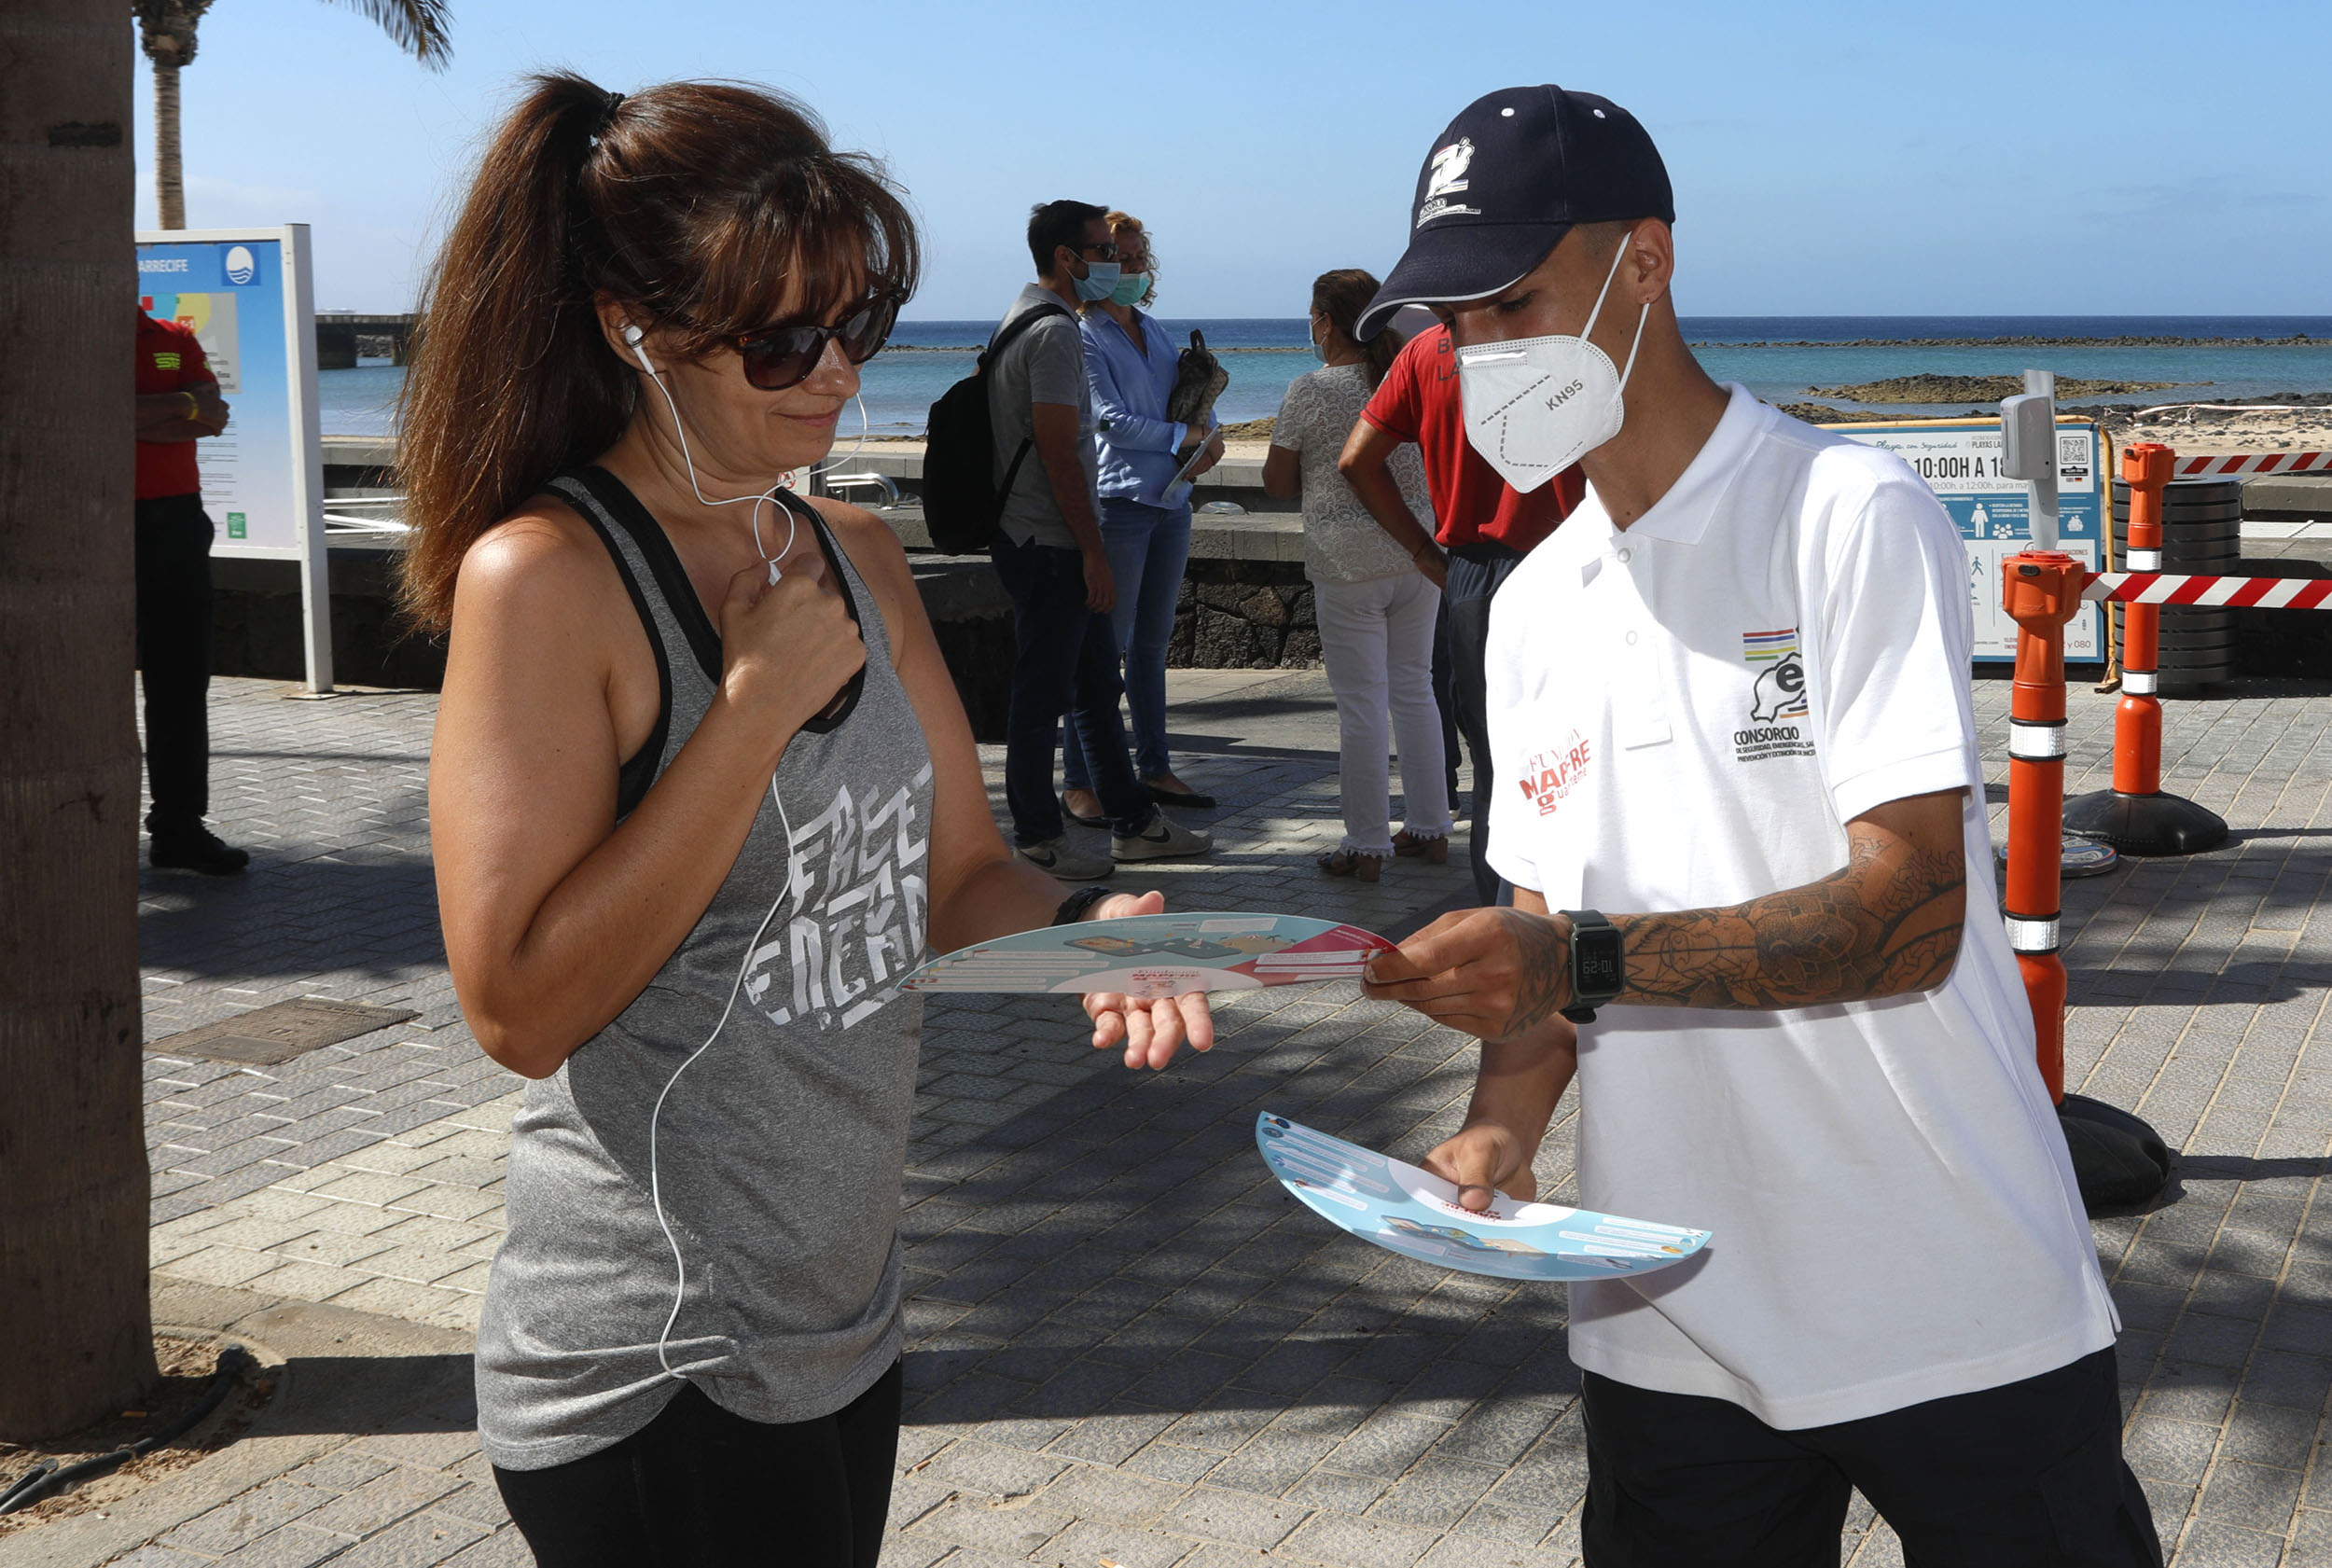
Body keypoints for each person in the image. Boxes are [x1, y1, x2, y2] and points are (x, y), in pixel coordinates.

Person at [396, 76, 1212, 1568]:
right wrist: (753, 706)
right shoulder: (553, 576)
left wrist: (1086, 933)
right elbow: (515, 1001)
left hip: (842, 1317)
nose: (836, 374)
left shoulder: (848, 546)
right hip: (658, 1355)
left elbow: (958, 871)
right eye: (784, 338)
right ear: (631, 326)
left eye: (859, 328)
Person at [1361, 86, 2159, 1567]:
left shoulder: (1842, 511)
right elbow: (1545, 966)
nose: (1473, 353)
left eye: (1510, 299)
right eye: (1449, 318)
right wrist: (1496, 1131)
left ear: (1644, 262)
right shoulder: (1529, 608)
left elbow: (1909, 915)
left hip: (1950, 1291)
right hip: (1664, 1320)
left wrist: (1567, 962)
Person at [1340, 276, 1584, 909]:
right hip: (1573, 566)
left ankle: (1505, 913)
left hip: (1473, 577)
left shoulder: (1426, 353)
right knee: (1590, 751)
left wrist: (1425, 551)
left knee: (1495, 766)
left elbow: (1356, 459)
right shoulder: (1561, 337)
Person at [985, 200, 1212, 880]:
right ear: (1068, 259)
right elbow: (1062, 453)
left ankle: (1134, 821)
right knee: (1042, 691)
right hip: (1051, 539)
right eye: (1104, 253)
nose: (1117, 266)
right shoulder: (1056, 334)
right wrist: (1091, 551)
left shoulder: (1027, 317)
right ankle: (1034, 835)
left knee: (1091, 683)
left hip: (1052, 533)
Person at [1262, 270, 1449, 881]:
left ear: (1324, 318)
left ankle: (1366, 844)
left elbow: (1277, 481)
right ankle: (1431, 828)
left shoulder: (1310, 391)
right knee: (1415, 690)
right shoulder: (1405, 375)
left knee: (1362, 707)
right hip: (1416, 551)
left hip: (1347, 565)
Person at [1060, 211, 1223, 826]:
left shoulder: (1155, 331)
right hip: (1120, 505)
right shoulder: (1081, 335)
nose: (1132, 268)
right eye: (1119, 258)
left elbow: (1186, 405)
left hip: (1172, 502)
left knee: (1153, 646)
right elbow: (1106, 419)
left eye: (1137, 258)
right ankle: (1081, 780)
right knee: (1102, 651)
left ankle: (1154, 766)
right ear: (1093, 265)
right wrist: (1187, 435)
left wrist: (1209, 442)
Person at [134, 303, 247, 874]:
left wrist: (143, 413)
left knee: (180, 680)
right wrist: (181, 406)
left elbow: (216, 416)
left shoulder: (174, 337)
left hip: (177, 521)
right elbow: (83, 417)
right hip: (95, 523)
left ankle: (178, 827)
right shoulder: (62, 331)